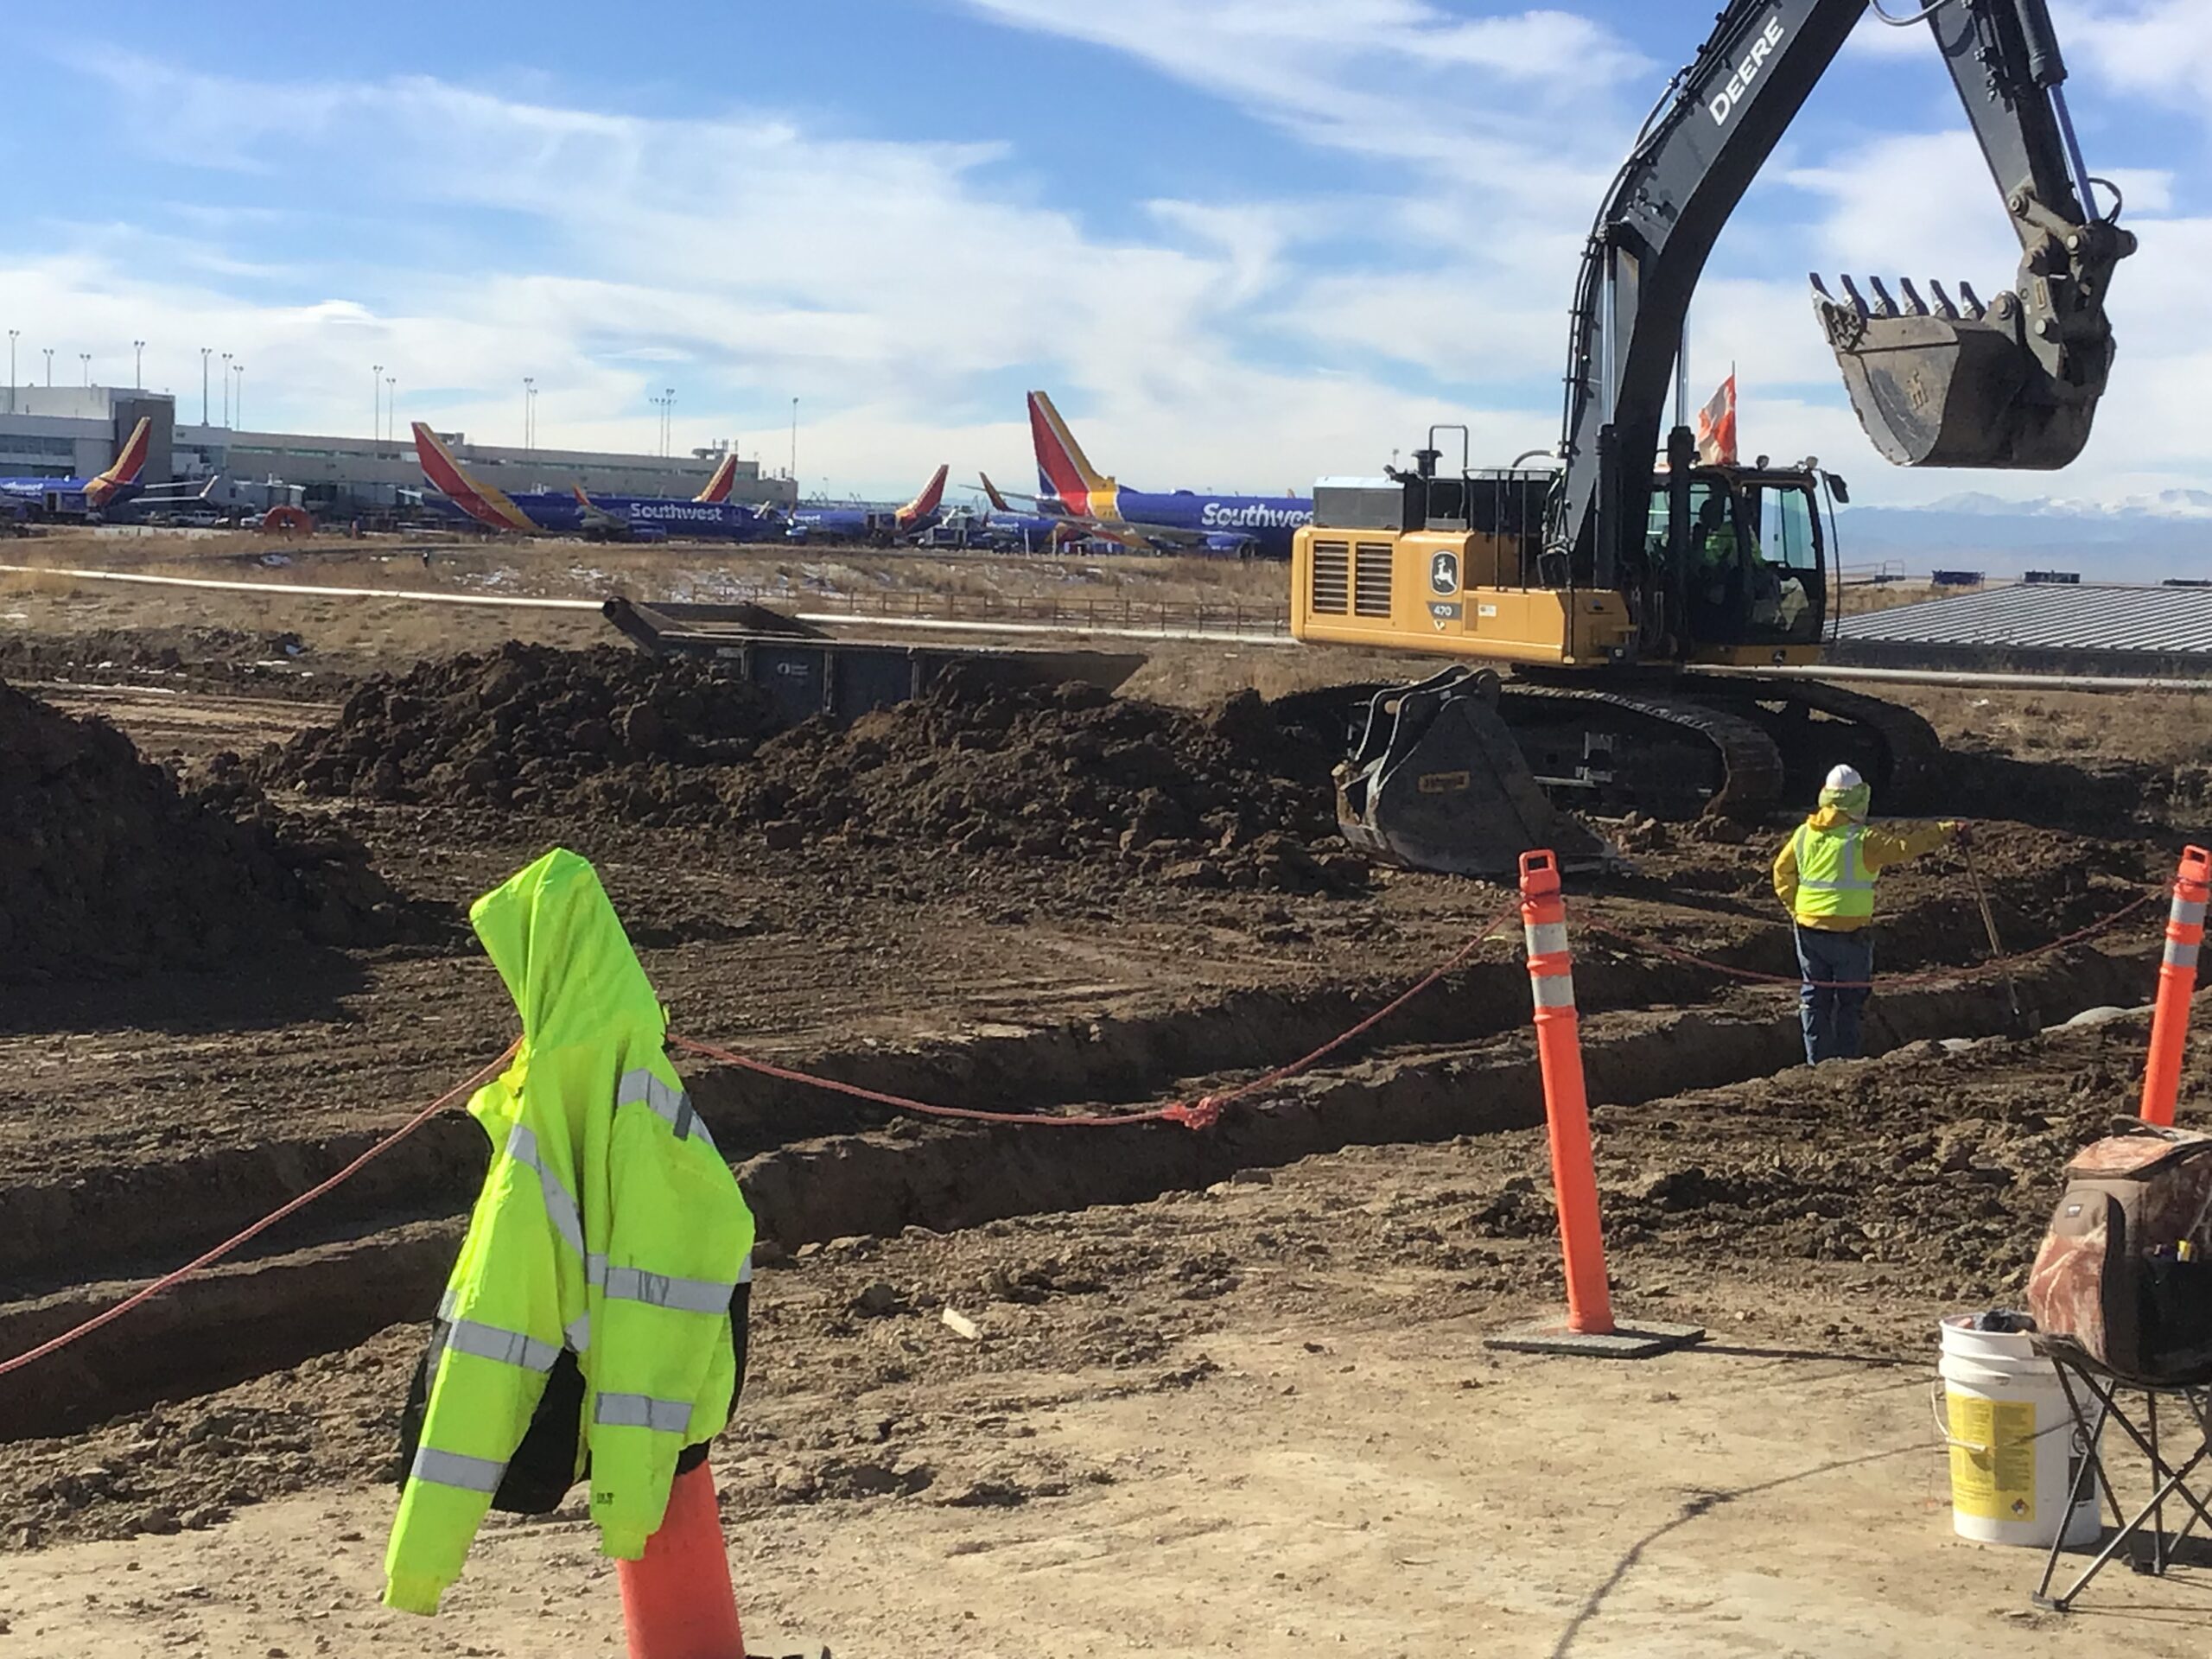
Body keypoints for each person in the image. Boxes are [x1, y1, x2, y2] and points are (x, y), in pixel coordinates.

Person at [1771, 765, 1966, 1065]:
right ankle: (1847, 1063)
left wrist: (1795, 907)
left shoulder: (1803, 834)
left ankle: (1817, 1062)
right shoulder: (1862, 840)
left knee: (1814, 998)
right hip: (1849, 934)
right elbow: (1905, 846)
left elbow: (1781, 872)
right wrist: (1947, 831)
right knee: (1851, 1001)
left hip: (1809, 928)